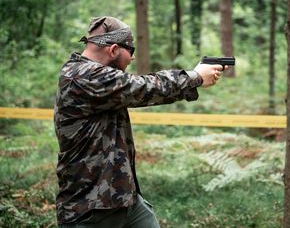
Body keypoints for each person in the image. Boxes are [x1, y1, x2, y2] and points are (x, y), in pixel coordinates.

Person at [54, 16, 225, 228]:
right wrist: (195, 77)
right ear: (114, 49)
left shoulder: (94, 76)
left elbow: (139, 89)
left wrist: (195, 77)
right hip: (89, 208)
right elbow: (143, 87)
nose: (132, 59)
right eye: (131, 51)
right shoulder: (81, 75)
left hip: (124, 200)